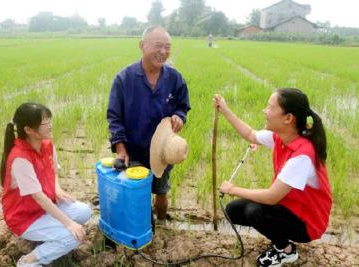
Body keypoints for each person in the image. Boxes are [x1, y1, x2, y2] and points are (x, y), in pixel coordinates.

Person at [213, 88, 332, 267]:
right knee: (233, 210)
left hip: (308, 222)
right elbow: (250, 134)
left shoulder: (302, 154)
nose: (264, 111)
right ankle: (280, 235)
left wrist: (232, 189)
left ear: (288, 118)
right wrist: (225, 109)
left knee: (255, 212)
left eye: (270, 108)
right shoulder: (282, 137)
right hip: (290, 208)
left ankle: (286, 251)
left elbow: (271, 197)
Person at [107, 26, 191, 224]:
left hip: (163, 152)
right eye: (158, 46)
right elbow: (114, 116)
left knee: (161, 191)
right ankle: (143, 227)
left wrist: (179, 115)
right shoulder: (124, 79)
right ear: (142, 45)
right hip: (133, 150)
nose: (163, 52)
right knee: (138, 194)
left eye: (167, 47)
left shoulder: (174, 78)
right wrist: (120, 148)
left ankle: (162, 223)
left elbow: (183, 106)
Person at [0, 103, 91, 267]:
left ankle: (53, 235)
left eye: (50, 121)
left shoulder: (47, 144)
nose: (51, 126)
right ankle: (28, 261)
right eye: (45, 123)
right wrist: (69, 224)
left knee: (85, 211)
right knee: (73, 236)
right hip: (25, 217)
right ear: (29, 130)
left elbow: (53, 170)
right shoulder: (20, 158)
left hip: (45, 207)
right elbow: (39, 198)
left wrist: (57, 189)